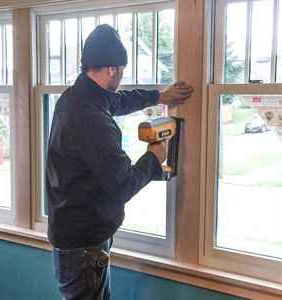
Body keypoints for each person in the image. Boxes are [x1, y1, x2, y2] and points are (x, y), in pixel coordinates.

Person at [45, 24, 193, 300]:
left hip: (78, 234)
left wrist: (159, 96)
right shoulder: (91, 119)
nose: (121, 76)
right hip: (83, 243)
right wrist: (154, 156)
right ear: (111, 69)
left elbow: (117, 101)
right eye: (122, 70)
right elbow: (122, 185)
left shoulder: (77, 97)